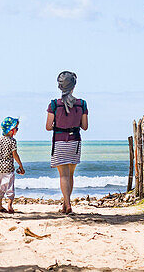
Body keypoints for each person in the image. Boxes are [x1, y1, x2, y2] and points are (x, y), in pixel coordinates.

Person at [46, 71, 88, 214]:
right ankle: (66, 204)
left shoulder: (54, 104)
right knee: (70, 174)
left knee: (63, 175)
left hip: (59, 141)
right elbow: (85, 126)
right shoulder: (82, 104)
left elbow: (47, 126)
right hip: (75, 141)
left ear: (60, 86)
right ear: (73, 86)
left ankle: (67, 204)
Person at [0, 116, 25, 213]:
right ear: (11, 130)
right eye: (16, 129)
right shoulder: (12, 141)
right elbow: (15, 154)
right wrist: (21, 166)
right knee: (9, 187)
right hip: (8, 168)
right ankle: (10, 205)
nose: (17, 131)